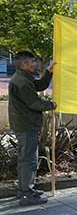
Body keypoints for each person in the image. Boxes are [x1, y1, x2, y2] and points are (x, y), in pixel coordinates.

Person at [8, 52, 57, 206]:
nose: (34, 64)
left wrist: (49, 72)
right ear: (24, 64)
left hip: (24, 124)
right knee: (29, 160)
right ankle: (26, 194)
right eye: (32, 62)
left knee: (25, 158)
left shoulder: (23, 77)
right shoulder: (22, 82)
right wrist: (51, 105)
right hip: (26, 125)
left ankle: (24, 190)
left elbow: (39, 85)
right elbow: (34, 103)